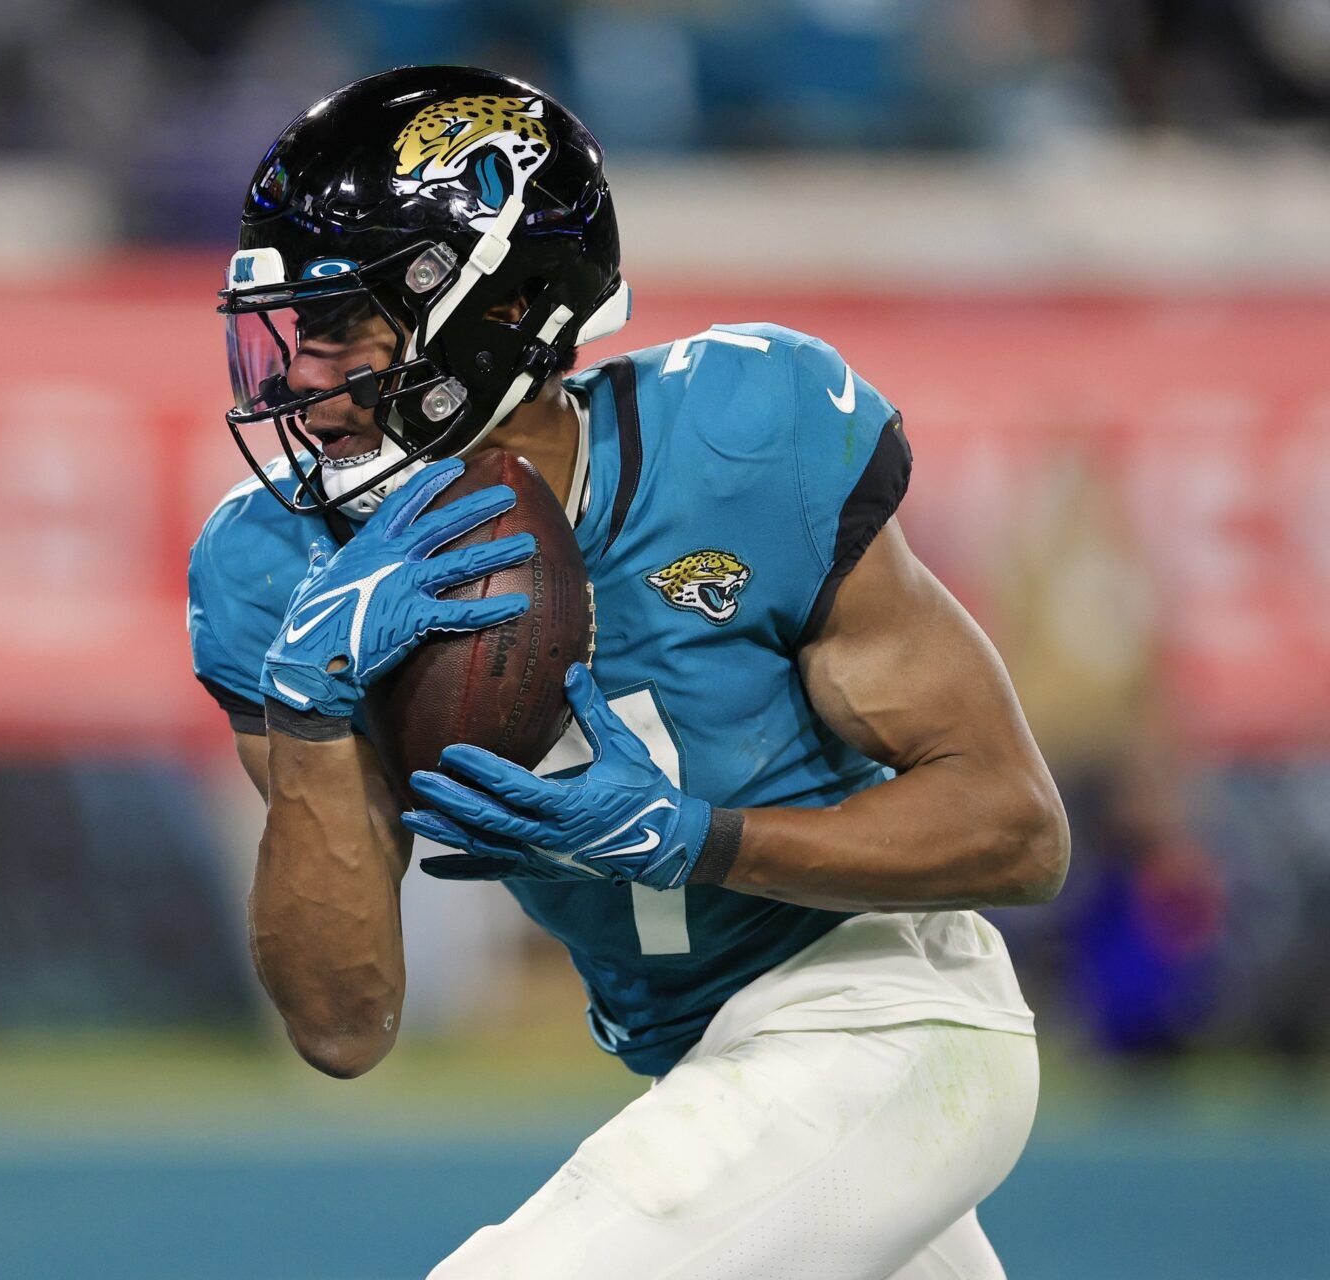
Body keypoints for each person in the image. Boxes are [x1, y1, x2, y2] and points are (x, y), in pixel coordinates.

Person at [188, 66, 1069, 1278]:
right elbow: (344, 1024)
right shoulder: (274, 564)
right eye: (293, 328)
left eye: (341, 321)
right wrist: (310, 705)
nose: (297, 373)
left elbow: (1018, 830)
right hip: (707, 1070)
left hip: (889, 1013)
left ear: (487, 304)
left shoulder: (746, 436)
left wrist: (701, 835)